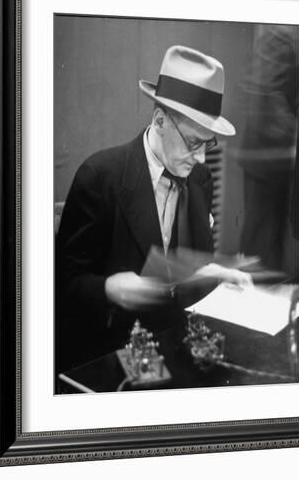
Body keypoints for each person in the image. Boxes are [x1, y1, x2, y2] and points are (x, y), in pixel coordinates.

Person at [55, 45, 252, 378]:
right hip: (111, 350)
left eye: (208, 143)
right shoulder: (99, 176)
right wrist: (109, 288)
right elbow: (63, 285)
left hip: (174, 340)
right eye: (193, 142)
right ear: (160, 120)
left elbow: (188, 265)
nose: (202, 158)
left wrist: (215, 271)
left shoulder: (200, 178)